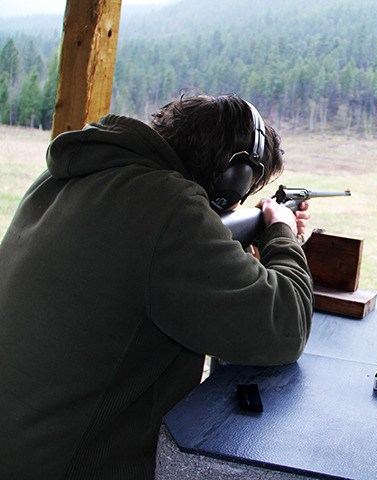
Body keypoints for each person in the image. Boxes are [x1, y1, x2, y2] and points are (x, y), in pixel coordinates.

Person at [0, 94, 314, 479]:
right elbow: (285, 328)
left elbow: (140, 266)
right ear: (232, 178)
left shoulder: (67, 176)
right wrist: (281, 232)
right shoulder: (169, 208)